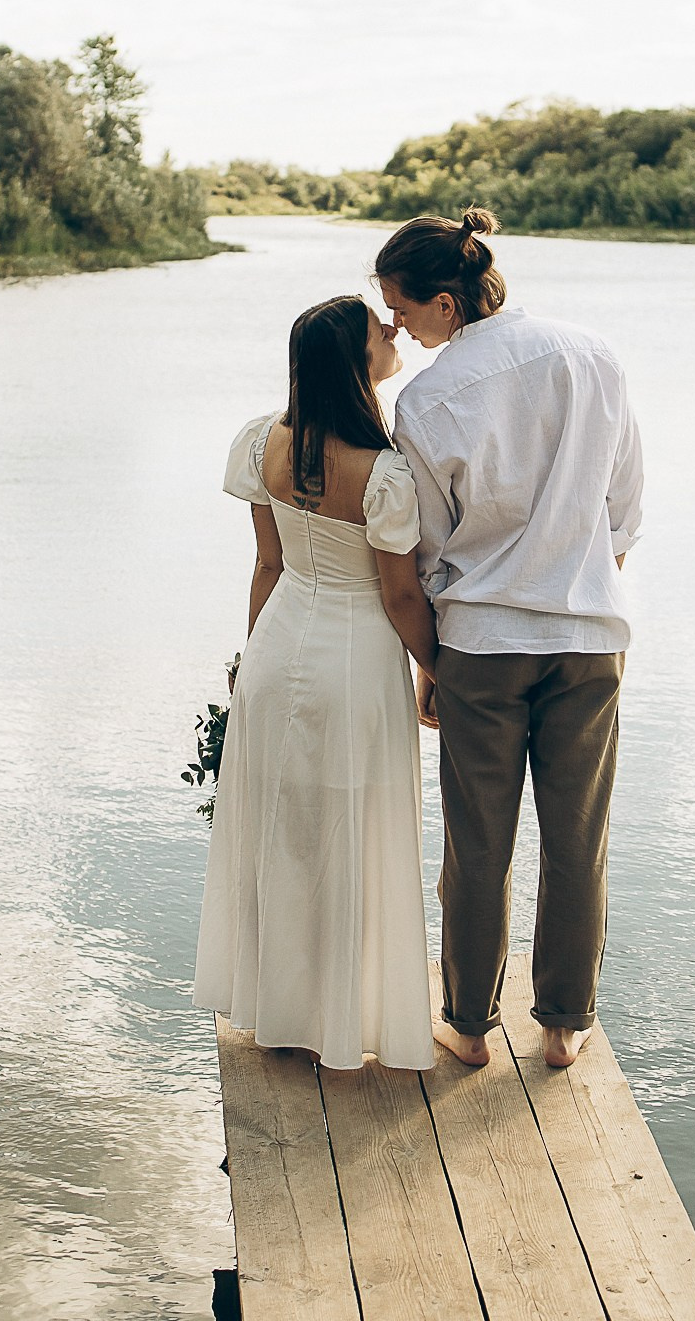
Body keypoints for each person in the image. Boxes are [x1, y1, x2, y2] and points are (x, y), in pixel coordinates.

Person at [378, 208, 644, 1070]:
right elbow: (625, 509)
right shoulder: (595, 355)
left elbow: (425, 546)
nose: (398, 328)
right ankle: (564, 1026)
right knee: (578, 837)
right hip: (587, 636)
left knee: (477, 842)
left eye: (404, 309)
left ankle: (465, 1024)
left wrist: (432, 662)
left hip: (483, 644)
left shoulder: (427, 400)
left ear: (447, 304)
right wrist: (579, 579)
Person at [193, 296, 440, 1070]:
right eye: (380, 329)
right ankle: (342, 1013)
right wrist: (438, 669)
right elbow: (400, 597)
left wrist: (247, 659)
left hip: (277, 651)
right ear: (355, 363)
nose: (394, 331)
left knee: (283, 832)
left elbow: (268, 564)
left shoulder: (265, 441)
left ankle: (282, 1010)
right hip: (355, 663)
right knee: (350, 833)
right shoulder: (385, 475)